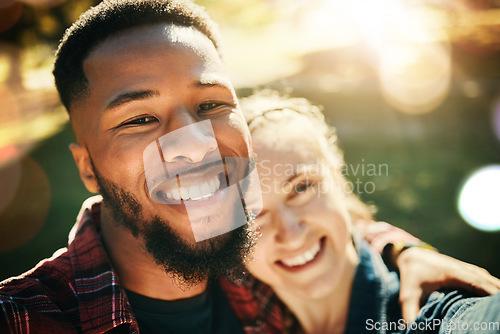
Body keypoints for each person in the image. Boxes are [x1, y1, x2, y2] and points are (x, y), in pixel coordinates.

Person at [0, 1, 499, 333]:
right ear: (88, 168)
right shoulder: (27, 318)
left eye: (211, 106)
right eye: (141, 118)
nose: (194, 148)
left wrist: (407, 251)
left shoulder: (254, 260)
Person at [223, 90, 500, 333]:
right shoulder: (226, 300)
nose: (291, 233)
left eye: (301, 188)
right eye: (250, 213)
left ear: (338, 181)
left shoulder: (423, 314)